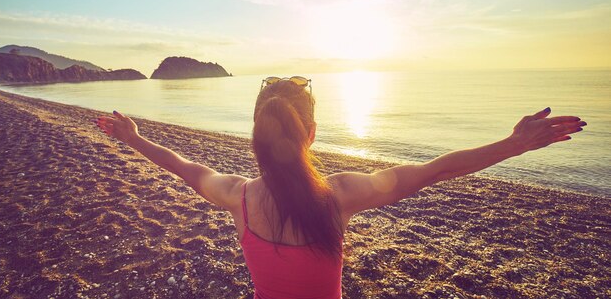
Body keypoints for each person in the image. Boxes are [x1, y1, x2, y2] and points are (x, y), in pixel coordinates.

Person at [96, 76, 586, 299]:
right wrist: (512, 145)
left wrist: (135, 137)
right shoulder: (340, 195)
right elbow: (434, 170)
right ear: (310, 135)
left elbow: (182, 166)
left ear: (255, 136)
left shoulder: (237, 195)